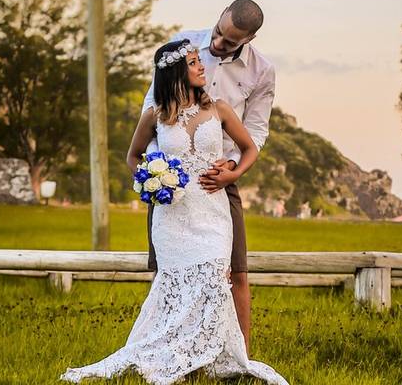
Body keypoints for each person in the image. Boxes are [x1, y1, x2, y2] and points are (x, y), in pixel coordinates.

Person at [61, 39, 287, 384]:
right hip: (173, 215)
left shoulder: (220, 109)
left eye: (199, 61)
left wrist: (234, 174)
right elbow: (133, 156)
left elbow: (249, 147)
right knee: (175, 285)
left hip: (213, 210)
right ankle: (177, 358)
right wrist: (150, 180)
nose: (202, 68)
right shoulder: (155, 115)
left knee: (213, 278)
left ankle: (206, 355)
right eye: (195, 63)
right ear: (177, 72)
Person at [141, 0, 275, 355]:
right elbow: (153, 114)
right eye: (218, 33)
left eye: (229, 42)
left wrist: (232, 173)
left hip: (220, 180)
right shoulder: (183, 46)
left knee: (236, 270)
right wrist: (159, 175)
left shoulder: (261, 71)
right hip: (171, 186)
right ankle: (168, 346)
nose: (217, 45)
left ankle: (238, 354)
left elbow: (256, 133)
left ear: (250, 38)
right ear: (219, 18)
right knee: (168, 270)